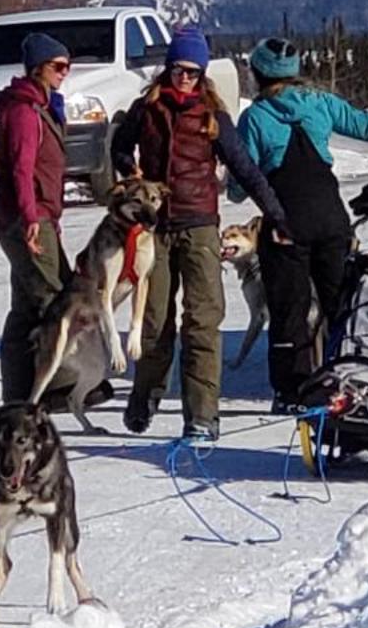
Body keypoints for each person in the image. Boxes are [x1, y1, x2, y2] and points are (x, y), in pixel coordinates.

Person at [233, 37, 368, 408]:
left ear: (258, 74)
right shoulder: (320, 104)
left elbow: (240, 181)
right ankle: (351, 378)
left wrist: (229, 185)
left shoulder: (255, 118)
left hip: (286, 223)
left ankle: (292, 390)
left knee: (289, 308)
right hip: (332, 218)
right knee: (340, 303)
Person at [111, 26, 287, 444]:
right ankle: (147, 393)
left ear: (202, 73)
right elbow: (119, 145)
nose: (184, 78)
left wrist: (276, 215)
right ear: (168, 69)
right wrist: (128, 171)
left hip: (200, 226)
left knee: (203, 321)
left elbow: (245, 168)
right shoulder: (146, 107)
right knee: (154, 321)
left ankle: (202, 416)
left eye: (192, 71)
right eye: (178, 69)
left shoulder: (213, 115)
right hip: (154, 228)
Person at [0, 32, 75, 401]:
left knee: (26, 306)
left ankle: (17, 394)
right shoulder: (25, 112)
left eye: (67, 67)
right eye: (57, 66)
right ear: (37, 68)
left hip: (38, 215)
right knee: (56, 298)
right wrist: (31, 217)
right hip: (27, 217)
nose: (64, 73)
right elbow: (21, 169)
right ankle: (60, 388)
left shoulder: (41, 106)